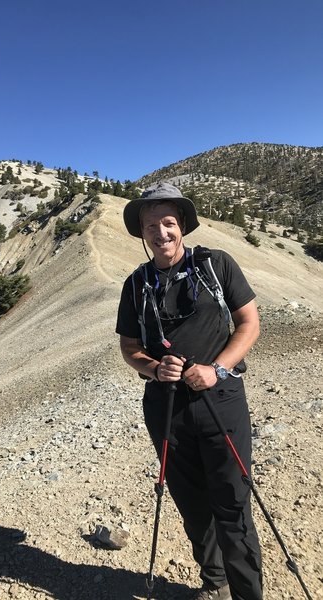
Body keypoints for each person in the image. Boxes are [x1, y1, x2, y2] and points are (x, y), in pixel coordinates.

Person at [116, 182, 263, 600]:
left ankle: (248, 594)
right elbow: (129, 347)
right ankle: (213, 581)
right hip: (167, 409)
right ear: (141, 233)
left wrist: (217, 368)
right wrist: (153, 367)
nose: (160, 233)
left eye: (168, 223)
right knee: (193, 506)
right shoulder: (136, 285)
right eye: (150, 225)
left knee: (233, 505)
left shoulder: (216, 265)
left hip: (222, 401)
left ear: (182, 226)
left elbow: (249, 324)